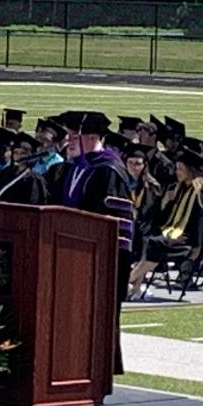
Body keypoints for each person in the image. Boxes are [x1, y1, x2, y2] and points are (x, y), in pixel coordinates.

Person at [49, 110, 132, 379]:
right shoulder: (71, 168)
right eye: (68, 136)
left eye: (75, 136)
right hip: (68, 259)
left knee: (96, 321)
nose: (68, 141)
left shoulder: (109, 171)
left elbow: (113, 227)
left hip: (100, 264)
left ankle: (96, 375)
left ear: (93, 137)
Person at [127, 147, 203, 299]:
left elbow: (202, 222)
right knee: (151, 240)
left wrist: (197, 246)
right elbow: (168, 218)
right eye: (176, 168)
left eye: (180, 169)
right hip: (176, 236)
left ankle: (125, 284)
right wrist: (166, 203)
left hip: (191, 241)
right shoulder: (181, 188)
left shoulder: (201, 191)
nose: (177, 172)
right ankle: (134, 288)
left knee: (156, 243)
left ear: (190, 170)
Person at [0, 132, 48, 204]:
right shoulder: (4, 173)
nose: (19, 156)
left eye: (23, 153)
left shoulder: (34, 179)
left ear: (31, 155)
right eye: (16, 152)